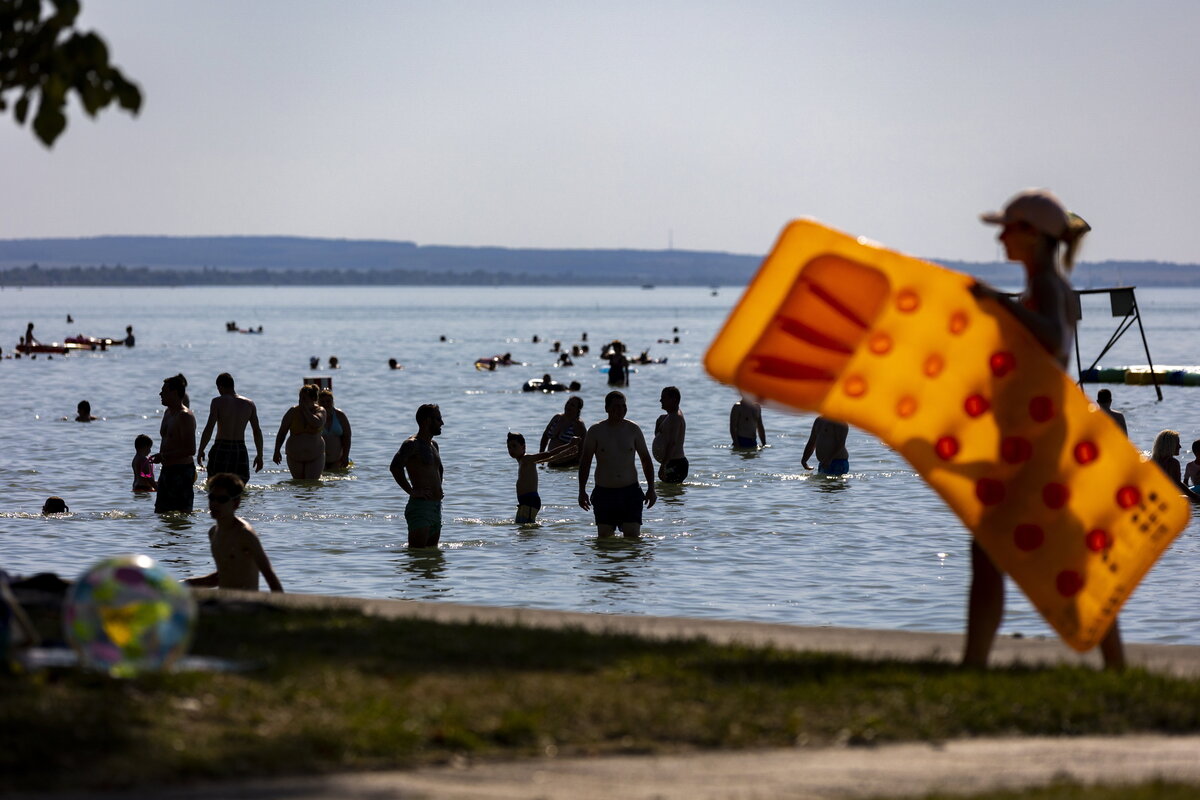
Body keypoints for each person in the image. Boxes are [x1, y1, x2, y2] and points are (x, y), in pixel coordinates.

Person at [970, 188, 1124, 670]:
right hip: (1034, 436)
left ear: (1032, 236)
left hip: (1037, 442)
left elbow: (1055, 339)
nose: (1000, 238)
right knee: (1058, 555)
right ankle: (1116, 665)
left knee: (994, 550)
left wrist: (1000, 305)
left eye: (1007, 230)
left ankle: (973, 665)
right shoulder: (1043, 285)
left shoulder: (1049, 287)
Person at [184, 473, 283, 592]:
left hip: (247, 601)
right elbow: (220, 576)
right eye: (211, 498)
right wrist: (184, 583)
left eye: (222, 499)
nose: (214, 504)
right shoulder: (213, 533)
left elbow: (270, 576)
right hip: (225, 600)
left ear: (236, 503)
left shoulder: (245, 534)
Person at [578, 391, 656, 537]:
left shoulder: (633, 429)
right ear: (606, 408)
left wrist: (651, 488)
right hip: (604, 493)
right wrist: (582, 491)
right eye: (616, 406)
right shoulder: (595, 431)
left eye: (623, 406)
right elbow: (585, 462)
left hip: (630, 492)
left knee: (632, 538)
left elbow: (646, 459)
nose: (620, 410)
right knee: (605, 539)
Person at [390, 404, 445, 548]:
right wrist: (411, 491)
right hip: (421, 507)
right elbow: (395, 467)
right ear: (427, 421)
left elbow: (439, 470)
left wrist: (438, 490)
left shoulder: (434, 445)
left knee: (433, 555)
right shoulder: (411, 444)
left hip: (436, 507)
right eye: (438, 419)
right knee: (417, 553)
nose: (442, 423)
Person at [197, 373, 264, 485]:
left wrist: (201, 450)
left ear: (220, 386)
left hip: (221, 447)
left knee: (215, 484)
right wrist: (260, 455)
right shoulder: (249, 404)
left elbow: (209, 428)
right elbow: (257, 431)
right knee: (238, 486)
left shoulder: (217, 402)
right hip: (240, 449)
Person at [507, 432, 579, 524]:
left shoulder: (526, 459)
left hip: (530, 500)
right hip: (525, 501)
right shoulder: (523, 461)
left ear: (523, 447)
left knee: (525, 528)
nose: (511, 450)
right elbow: (549, 459)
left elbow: (548, 454)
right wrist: (565, 453)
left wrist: (569, 445)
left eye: (514, 446)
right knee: (521, 526)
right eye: (509, 447)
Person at [151, 373, 197, 513]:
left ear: (174, 393)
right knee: (161, 513)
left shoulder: (185, 416)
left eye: (164, 391)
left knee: (181, 514)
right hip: (166, 470)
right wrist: (161, 457)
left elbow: (190, 449)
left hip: (181, 471)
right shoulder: (167, 413)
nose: (160, 394)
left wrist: (164, 456)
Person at [273, 384, 326, 479]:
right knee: (298, 484)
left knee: (311, 483)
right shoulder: (293, 411)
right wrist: (277, 451)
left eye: (304, 398)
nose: (301, 401)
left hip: (315, 455)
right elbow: (282, 432)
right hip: (294, 456)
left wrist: (306, 410)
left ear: (313, 398)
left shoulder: (320, 410)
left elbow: (316, 423)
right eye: (300, 398)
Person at [1150, 430, 1200, 501]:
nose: (1180, 446)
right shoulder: (1173, 463)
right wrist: (1196, 497)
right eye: (1177, 443)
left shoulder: (1151, 462)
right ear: (1170, 445)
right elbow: (1178, 484)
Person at [539, 396, 588, 467]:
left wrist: (577, 464)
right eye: (568, 403)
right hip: (551, 464)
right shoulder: (557, 418)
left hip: (567, 466)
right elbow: (545, 436)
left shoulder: (578, 425)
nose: (568, 406)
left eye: (572, 405)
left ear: (578, 409)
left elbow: (583, 448)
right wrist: (541, 455)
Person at [653, 386, 688, 483]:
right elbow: (660, 436)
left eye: (663, 398)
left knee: (669, 491)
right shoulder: (670, 416)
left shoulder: (675, 418)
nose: (660, 400)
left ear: (674, 400)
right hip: (672, 462)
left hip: (675, 464)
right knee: (668, 491)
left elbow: (672, 443)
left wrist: (663, 465)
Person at [318, 388, 352, 471]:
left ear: (332, 401)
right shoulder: (315, 416)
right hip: (318, 460)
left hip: (338, 460)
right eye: (322, 402)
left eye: (328, 401)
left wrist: (345, 456)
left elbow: (347, 437)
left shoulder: (340, 415)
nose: (325, 404)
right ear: (318, 403)